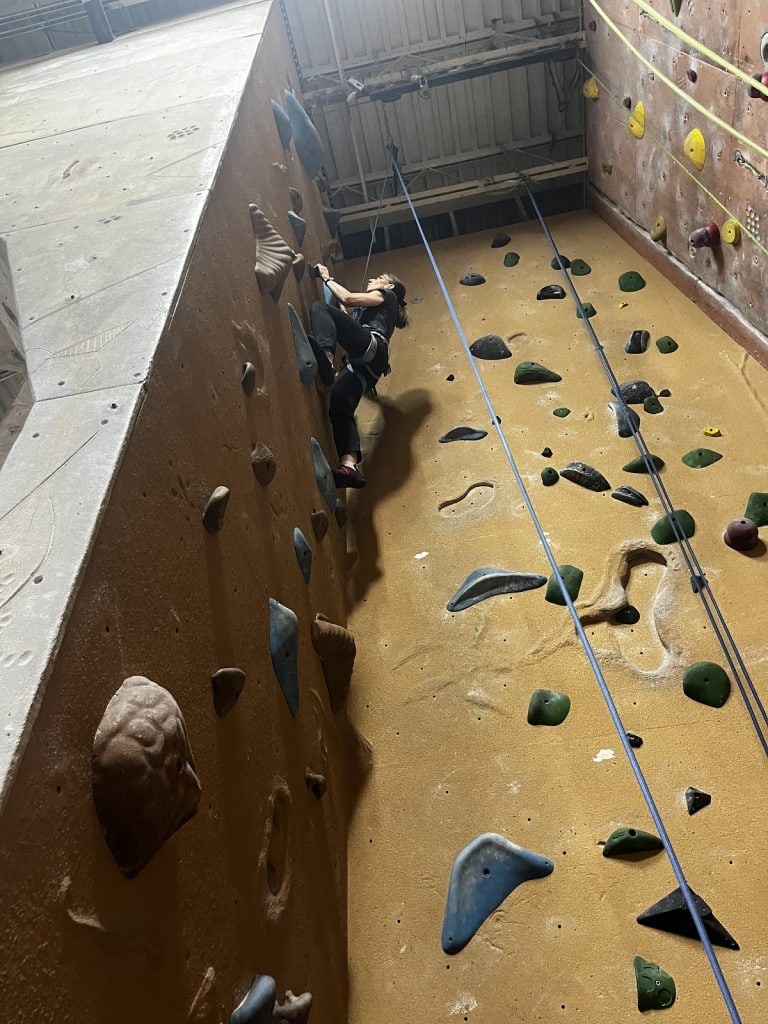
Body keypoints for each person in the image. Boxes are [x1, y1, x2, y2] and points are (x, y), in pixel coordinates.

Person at [309, 265, 408, 489]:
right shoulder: (379, 310)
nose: (373, 278)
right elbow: (347, 315)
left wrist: (326, 277)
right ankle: (350, 467)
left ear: (390, 286)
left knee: (319, 308)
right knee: (339, 405)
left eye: (379, 277)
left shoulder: (386, 295)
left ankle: (325, 356)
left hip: (371, 347)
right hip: (368, 368)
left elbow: (349, 298)